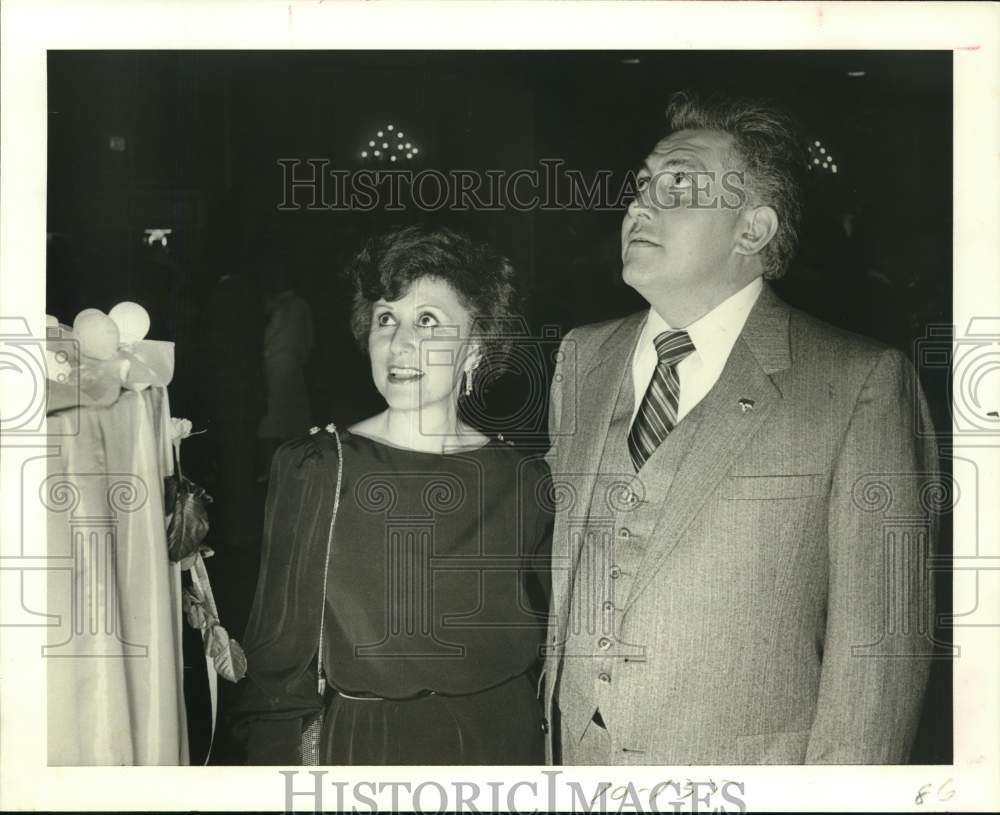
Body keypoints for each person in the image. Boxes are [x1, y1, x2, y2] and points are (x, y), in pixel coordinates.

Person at [543, 90, 941, 765]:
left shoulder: (856, 382)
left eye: (679, 186)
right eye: (643, 184)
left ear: (751, 230)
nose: (640, 203)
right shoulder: (581, 357)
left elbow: (879, 657)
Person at [232, 225, 552, 765]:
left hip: (505, 744)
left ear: (475, 346)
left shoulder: (524, 478)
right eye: (386, 319)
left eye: (427, 321)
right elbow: (276, 669)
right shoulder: (319, 468)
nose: (399, 344)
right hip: (372, 749)